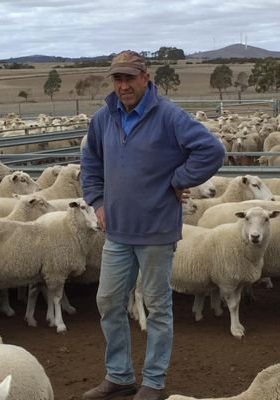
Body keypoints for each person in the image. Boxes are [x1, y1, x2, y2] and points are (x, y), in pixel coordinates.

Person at [80, 50, 225, 400]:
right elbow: (90, 160)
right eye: (118, 78)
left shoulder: (170, 116)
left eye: (130, 77)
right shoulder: (103, 118)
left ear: (146, 77)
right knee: (109, 301)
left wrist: (178, 179)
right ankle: (119, 375)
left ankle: (153, 383)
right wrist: (97, 202)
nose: (123, 85)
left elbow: (211, 150)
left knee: (158, 307)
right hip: (117, 230)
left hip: (156, 231)